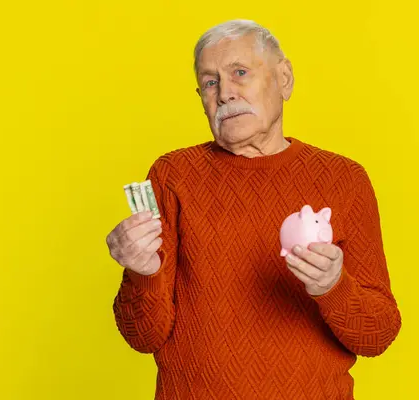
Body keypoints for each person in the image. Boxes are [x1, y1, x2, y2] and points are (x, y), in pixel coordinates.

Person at [106, 19, 402, 400]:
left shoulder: (343, 179)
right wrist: (142, 272)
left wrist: (331, 286)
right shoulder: (172, 175)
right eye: (210, 83)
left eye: (240, 73)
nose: (226, 93)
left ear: (284, 78)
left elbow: (377, 335)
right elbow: (143, 337)